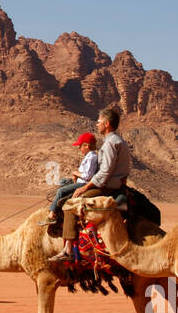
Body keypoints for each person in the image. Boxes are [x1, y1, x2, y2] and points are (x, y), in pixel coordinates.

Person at [52, 109, 131, 262]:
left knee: (70, 204)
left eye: (99, 122)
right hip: (114, 184)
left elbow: (104, 173)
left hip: (107, 187)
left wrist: (85, 187)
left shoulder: (110, 144)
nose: (97, 124)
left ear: (107, 124)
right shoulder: (119, 141)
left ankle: (68, 249)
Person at [42, 132, 99, 226]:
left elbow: (88, 176)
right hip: (81, 181)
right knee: (63, 181)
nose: (79, 148)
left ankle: (52, 215)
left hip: (83, 183)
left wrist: (76, 173)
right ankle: (59, 206)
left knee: (61, 191)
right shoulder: (89, 156)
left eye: (80, 146)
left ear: (86, 146)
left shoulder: (92, 157)